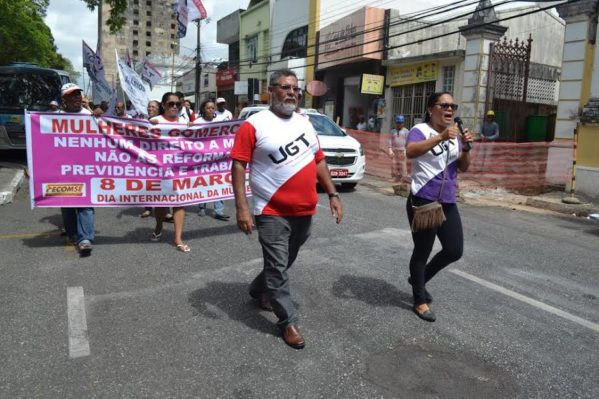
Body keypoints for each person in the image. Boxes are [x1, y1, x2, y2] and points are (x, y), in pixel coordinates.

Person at [231, 69, 343, 349]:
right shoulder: (254, 125)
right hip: (271, 210)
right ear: (271, 90)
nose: (292, 92)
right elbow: (238, 165)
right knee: (279, 266)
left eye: (296, 88)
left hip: (305, 210)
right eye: (285, 87)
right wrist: (242, 208)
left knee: (283, 260)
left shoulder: (304, 122)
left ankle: (258, 288)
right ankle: (287, 322)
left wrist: (332, 193)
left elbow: (318, 160)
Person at [405, 92, 472, 322]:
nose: (450, 109)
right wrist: (441, 137)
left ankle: (418, 279)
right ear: (430, 109)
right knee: (422, 251)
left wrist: (465, 147)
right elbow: (410, 151)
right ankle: (419, 300)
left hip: (448, 201)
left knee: (454, 250)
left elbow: (463, 167)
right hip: (424, 200)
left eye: (453, 106)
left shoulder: (454, 135)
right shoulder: (420, 131)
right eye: (444, 105)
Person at [149, 92, 190, 253]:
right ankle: (159, 225)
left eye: (177, 104)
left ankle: (178, 238)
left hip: (179, 169)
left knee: (179, 202)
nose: (175, 107)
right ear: (164, 105)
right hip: (159, 170)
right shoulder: (156, 122)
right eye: (171, 104)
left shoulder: (184, 123)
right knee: (160, 203)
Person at [58, 83, 95, 257]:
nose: (76, 98)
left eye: (78, 94)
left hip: (85, 169)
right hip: (62, 170)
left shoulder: (90, 116)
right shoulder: (53, 118)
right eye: (72, 95)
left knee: (86, 204)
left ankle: (85, 238)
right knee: (67, 205)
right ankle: (73, 234)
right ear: (63, 99)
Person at [193, 99, 230, 221]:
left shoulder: (218, 122)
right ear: (203, 109)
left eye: (212, 108)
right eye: (208, 108)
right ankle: (202, 206)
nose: (211, 110)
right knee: (203, 182)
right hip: (202, 159)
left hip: (216, 159)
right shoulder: (197, 122)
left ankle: (218, 210)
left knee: (218, 183)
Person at [139, 99, 162, 219]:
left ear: (158, 108)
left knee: (162, 183)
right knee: (148, 183)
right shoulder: (144, 121)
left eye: (153, 107)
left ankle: (164, 208)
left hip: (161, 157)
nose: (150, 109)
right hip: (147, 157)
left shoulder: (164, 121)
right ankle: (148, 208)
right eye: (149, 107)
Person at [388, 114, 409, 183]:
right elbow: (390, 140)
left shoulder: (406, 131)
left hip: (402, 151)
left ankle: (403, 178)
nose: (399, 124)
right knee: (394, 165)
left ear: (403, 123)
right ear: (396, 123)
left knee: (403, 166)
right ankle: (395, 178)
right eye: (398, 123)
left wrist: (405, 151)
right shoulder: (392, 131)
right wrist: (390, 149)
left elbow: (408, 142)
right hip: (394, 151)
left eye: (401, 123)